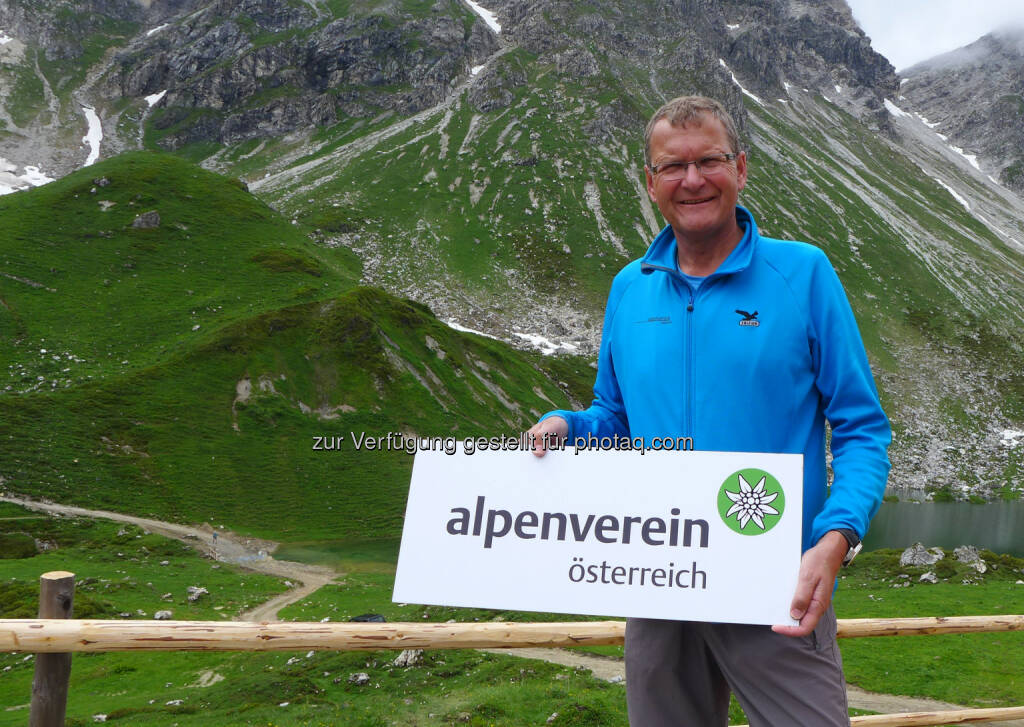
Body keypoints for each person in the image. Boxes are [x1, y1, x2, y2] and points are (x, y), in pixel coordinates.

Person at [527, 96, 891, 726]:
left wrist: (837, 537)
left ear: (741, 168)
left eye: (709, 161)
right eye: (672, 167)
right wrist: (570, 425)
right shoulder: (629, 286)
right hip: (657, 579)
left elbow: (861, 428)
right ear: (651, 183)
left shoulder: (802, 274)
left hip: (776, 581)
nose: (692, 180)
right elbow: (615, 417)